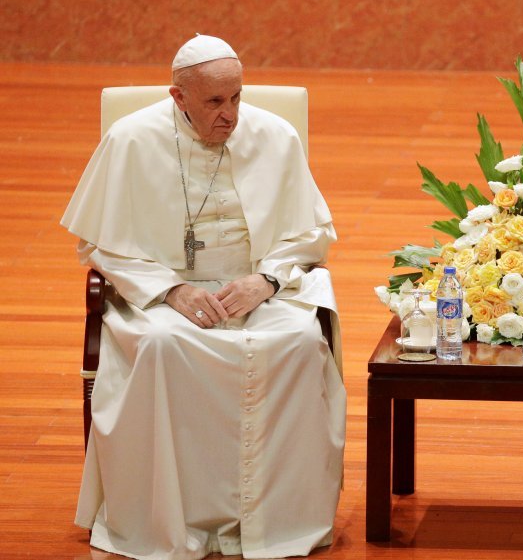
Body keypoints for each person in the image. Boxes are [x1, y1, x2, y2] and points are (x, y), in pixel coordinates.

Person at [62, 34, 345, 560]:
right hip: (163, 289)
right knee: (165, 347)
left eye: (236, 97)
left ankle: (274, 520)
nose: (231, 115)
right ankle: (178, 520)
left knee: (300, 343)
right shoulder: (130, 140)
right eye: (215, 102)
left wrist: (267, 281)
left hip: (257, 285)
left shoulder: (275, 135)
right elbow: (98, 244)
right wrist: (170, 289)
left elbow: (310, 234)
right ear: (178, 97)